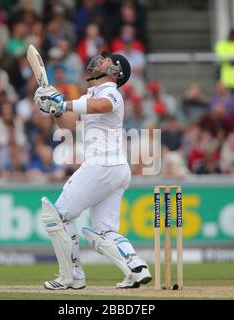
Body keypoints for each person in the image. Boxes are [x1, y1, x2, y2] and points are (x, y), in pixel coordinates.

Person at [33, 51, 151, 290]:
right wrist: (55, 109)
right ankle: (137, 269)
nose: (102, 60)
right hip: (115, 168)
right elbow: (68, 125)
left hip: (102, 165)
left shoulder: (111, 93)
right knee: (103, 231)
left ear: (116, 73)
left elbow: (101, 107)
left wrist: (62, 102)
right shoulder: (92, 94)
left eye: (108, 60)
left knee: (56, 216)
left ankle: (71, 277)